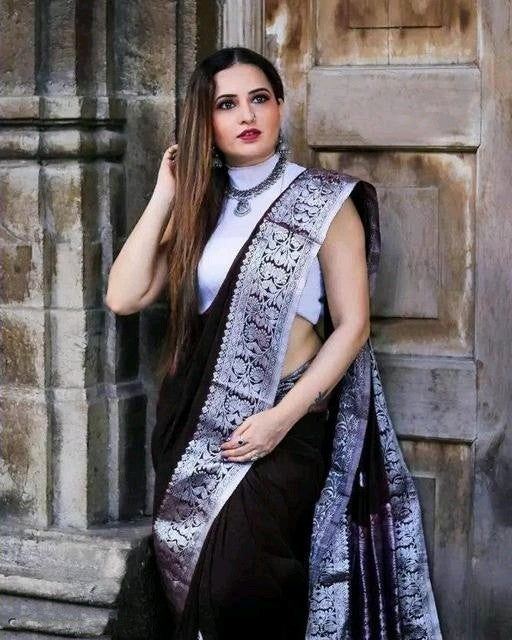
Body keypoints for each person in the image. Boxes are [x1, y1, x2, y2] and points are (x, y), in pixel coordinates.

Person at [105, 46, 442, 640]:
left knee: (243, 585)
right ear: (205, 121)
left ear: (280, 106)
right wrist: (166, 192)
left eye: (259, 98)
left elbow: (353, 326)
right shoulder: (199, 206)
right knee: (198, 587)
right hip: (197, 424)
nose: (246, 115)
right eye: (226, 104)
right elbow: (124, 297)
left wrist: (280, 420)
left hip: (285, 424)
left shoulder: (324, 201)